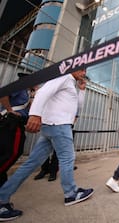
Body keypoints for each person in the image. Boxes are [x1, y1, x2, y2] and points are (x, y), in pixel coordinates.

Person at [0, 69, 94, 221]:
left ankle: (2, 198)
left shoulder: (70, 83)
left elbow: (77, 105)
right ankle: (71, 193)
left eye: (85, 70)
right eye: (81, 69)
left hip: (52, 126)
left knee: (31, 163)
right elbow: (42, 93)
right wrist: (35, 114)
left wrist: (81, 91)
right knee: (67, 159)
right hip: (59, 125)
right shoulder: (63, 77)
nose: (83, 73)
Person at [0, 72, 34, 187]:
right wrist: (10, 110)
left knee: (5, 152)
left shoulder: (26, 92)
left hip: (15, 123)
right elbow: (3, 94)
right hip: (12, 123)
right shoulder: (20, 87)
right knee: (13, 152)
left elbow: (27, 110)